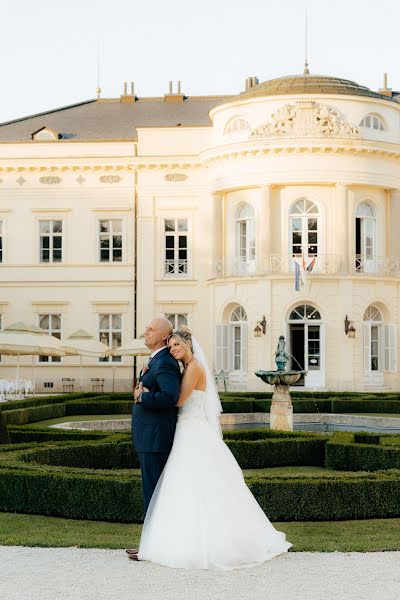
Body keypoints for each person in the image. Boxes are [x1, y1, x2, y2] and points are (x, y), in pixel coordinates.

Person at [135, 326, 292, 570]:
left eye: (178, 345)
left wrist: (145, 392)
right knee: (185, 487)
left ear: (189, 345)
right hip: (186, 430)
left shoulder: (194, 367)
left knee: (198, 486)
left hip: (191, 430)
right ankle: (177, 539)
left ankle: (203, 542)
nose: (174, 349)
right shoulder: (186, 367)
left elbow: (177, 399)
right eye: (172, 345)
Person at [127, 317, 181, 561]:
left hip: (156, 438)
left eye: (151, 329)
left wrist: (143, 398)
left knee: (154, 493)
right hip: (149, 436)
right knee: (153, 492)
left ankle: (152, 547)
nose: (145, 332)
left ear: (164, 336)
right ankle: (152, 544)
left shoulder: (165, 362)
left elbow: (170, 396)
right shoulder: (155, 359)